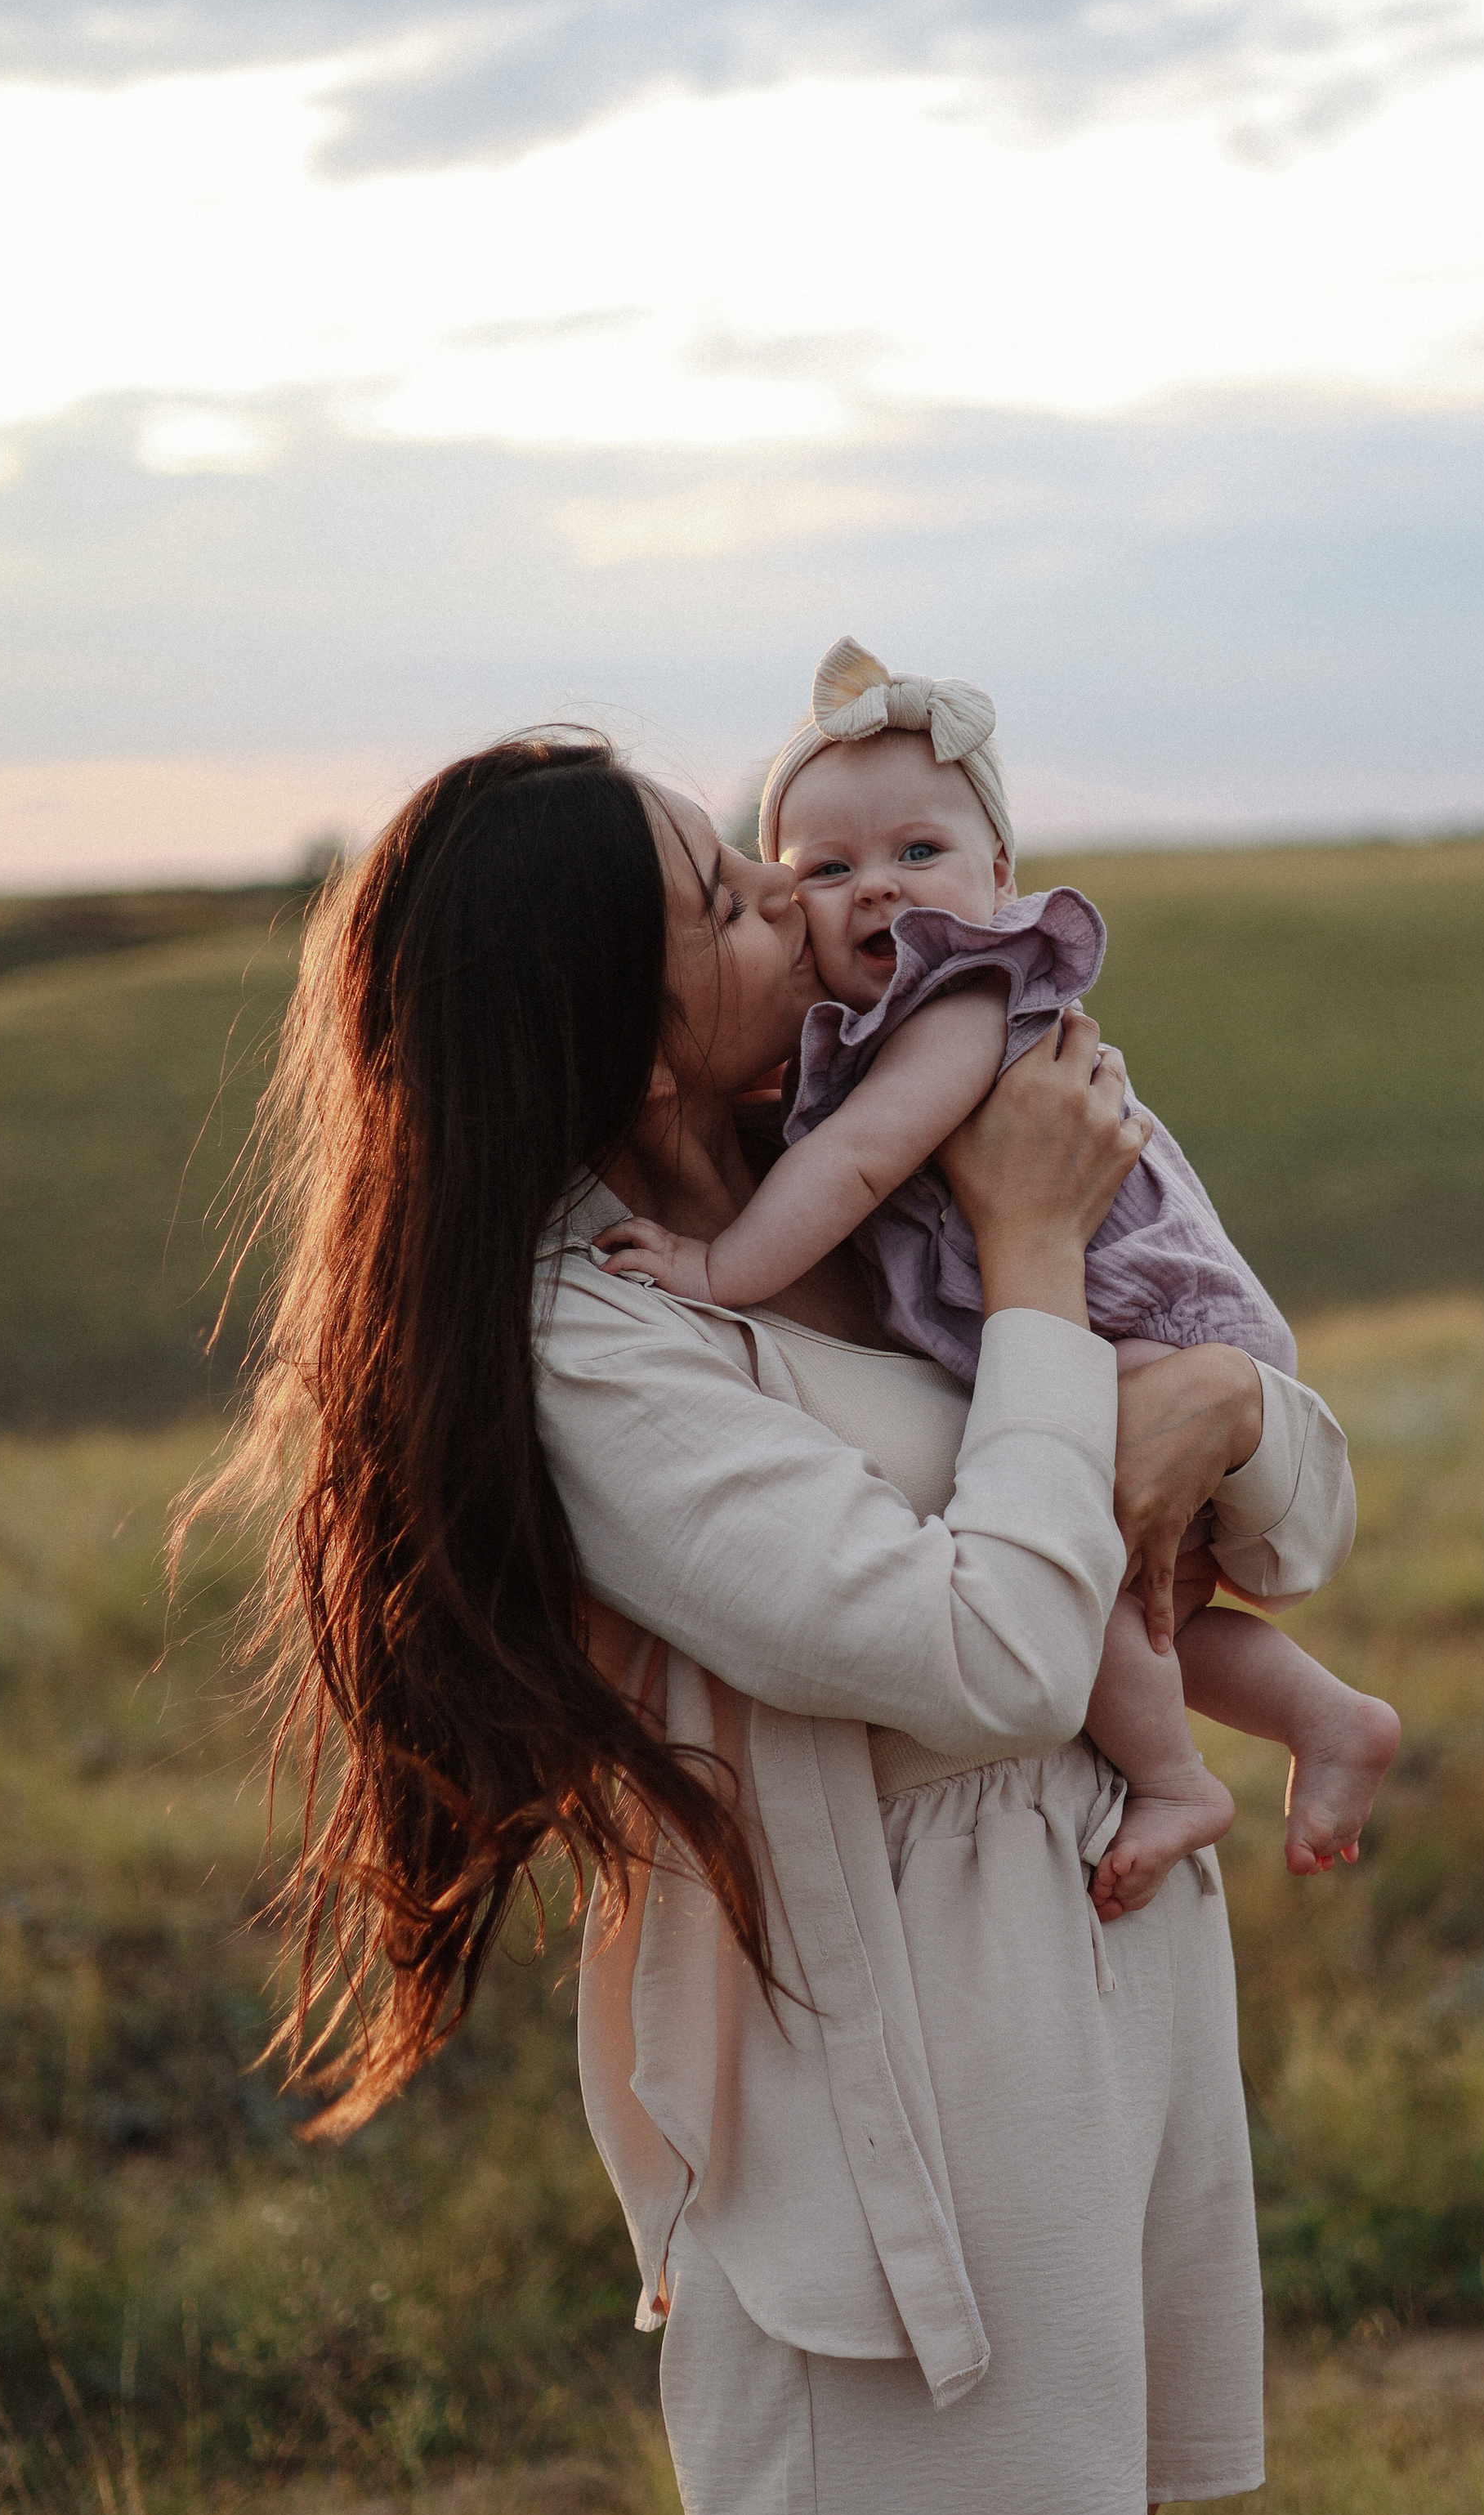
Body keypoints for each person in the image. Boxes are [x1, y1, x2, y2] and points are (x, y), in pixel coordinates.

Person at [198, 728, 1362, 2515]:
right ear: (628, 1047)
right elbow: (993, 1657)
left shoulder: (891, 1154)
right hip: (874, 2071)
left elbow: (1293, 1519)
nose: (804, 906)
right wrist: (1033, 1271)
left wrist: (1218, 1409)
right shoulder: (598, 1337)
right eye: (727, 904)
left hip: (1097, 2001)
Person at [598, 638, 1400, 1919]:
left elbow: (859, 1163)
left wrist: (717, 1265)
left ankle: (1178, 1776)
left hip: (1133, 1310)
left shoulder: (964, 998)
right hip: (943, 1935)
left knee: (1110, 1581)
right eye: (822, 871)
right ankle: (1324, 1716)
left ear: (1002, 880)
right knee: (1134, 1600)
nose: (874, 895)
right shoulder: (603, 1330)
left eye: (919, 855)